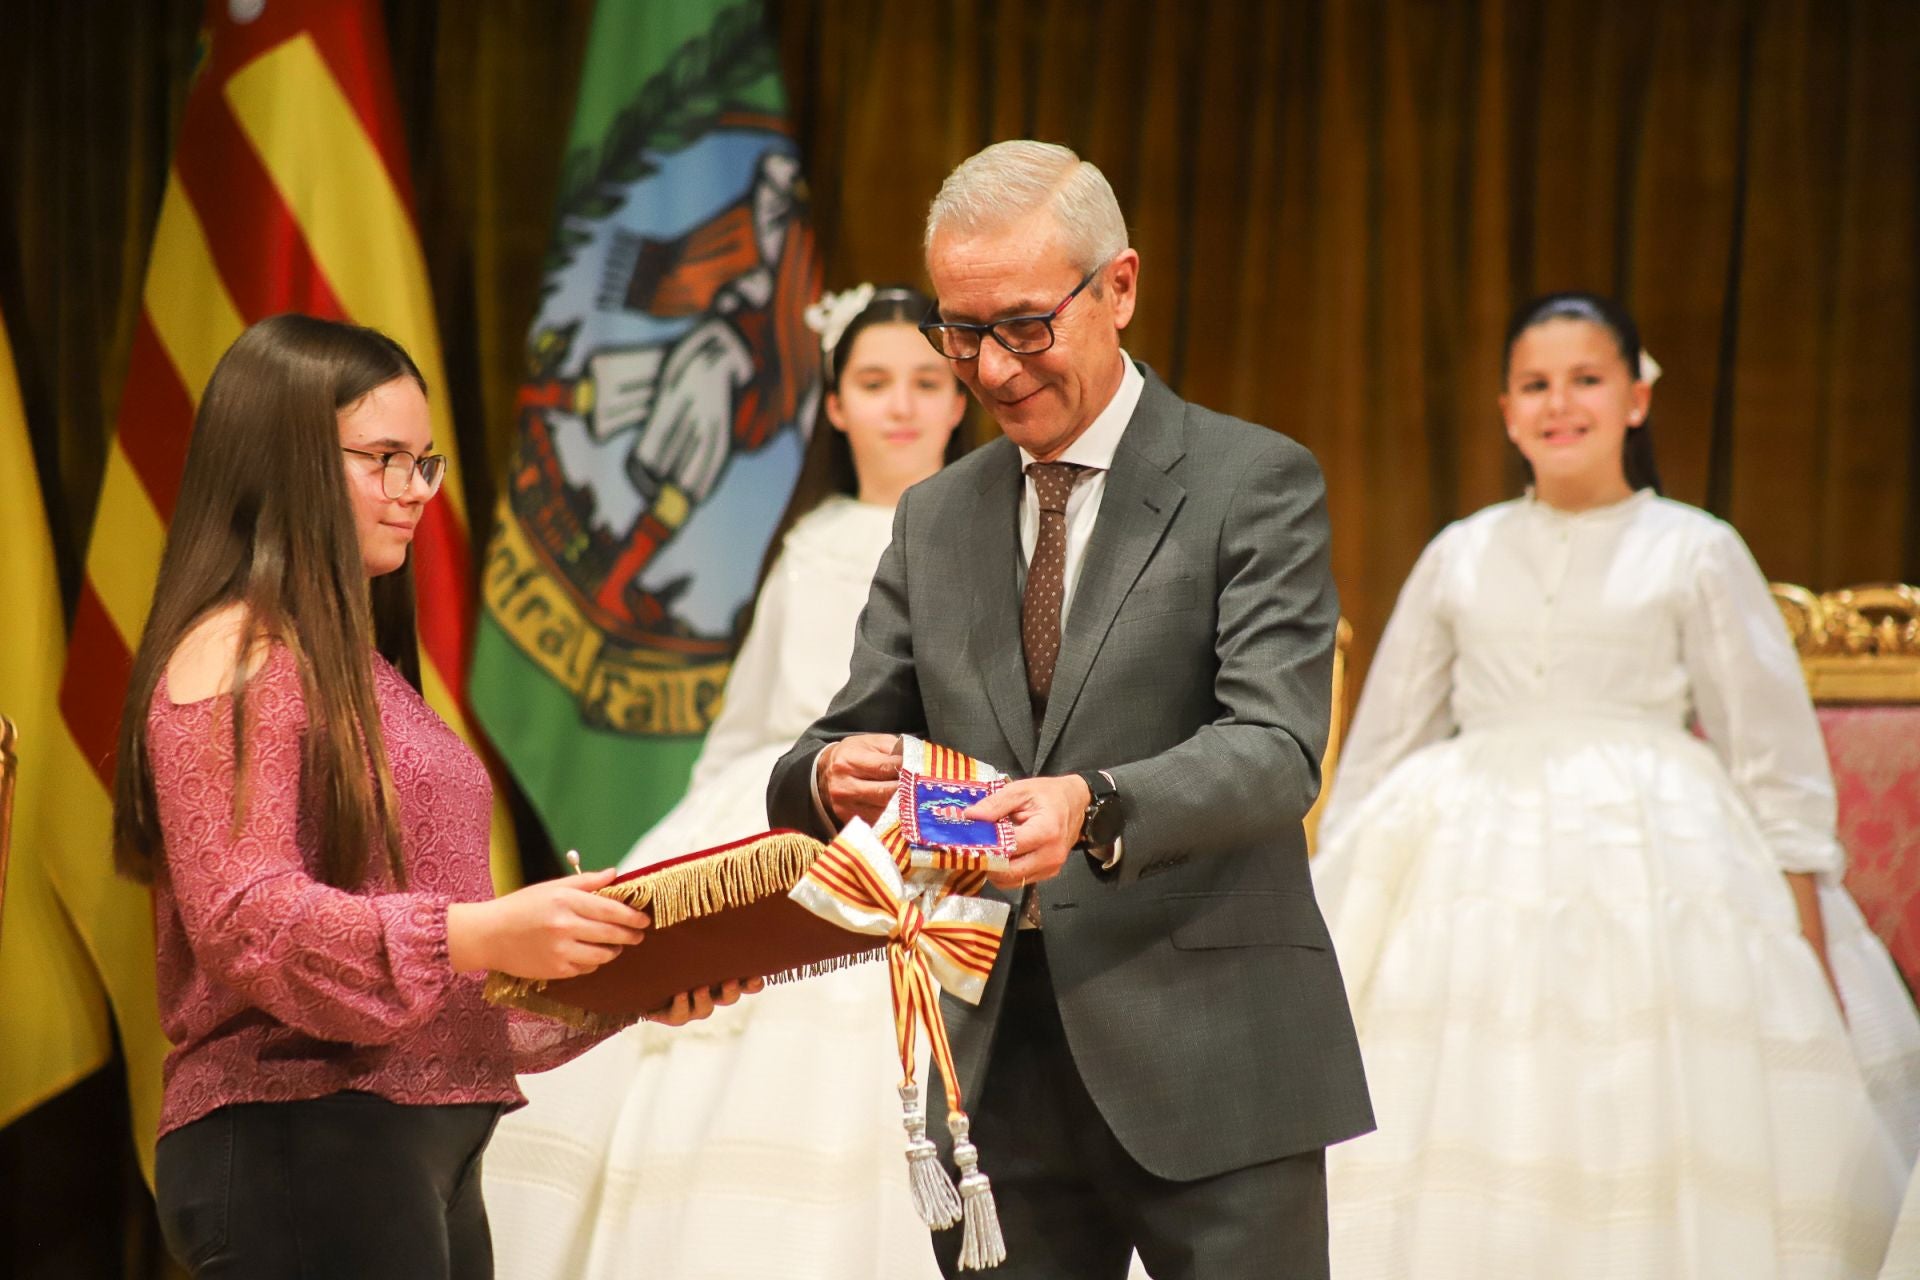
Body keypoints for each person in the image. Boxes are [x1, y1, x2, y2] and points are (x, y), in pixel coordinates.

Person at [766, 140, 1374, 1279]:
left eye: (1025, 325)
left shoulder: (1255, 481)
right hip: (994, 1063)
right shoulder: (936, 516)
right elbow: (831, 738)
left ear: (1121, 287)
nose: (990, 370)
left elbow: (1278, 746)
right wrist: (826, 775)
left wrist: (1096, 803)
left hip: (1216, 1043)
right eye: (962, 331)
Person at [113, 314, 737, 1279]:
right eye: (384, 459)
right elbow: (244, 919)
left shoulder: (356, 665)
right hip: (299, 1136)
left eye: (425, 463)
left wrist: (619, 977)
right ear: (283, 460)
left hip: (407, 1145)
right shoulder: (235, 650)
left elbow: (440, 995)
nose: (414, 493)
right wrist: (477, 932)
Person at [1310, 292, 1920, 1278]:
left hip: (1659, 852)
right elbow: (1386, 736)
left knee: (1644, 1095)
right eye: (1537, 385)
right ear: (1507, 409)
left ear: (1637, 397)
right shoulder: (1460, 552)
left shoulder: (1697, 546)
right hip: (1467, 854)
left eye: (1586, 379)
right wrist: (1341, 886)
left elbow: (1769, 747)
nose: (1562, 404)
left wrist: (1805, 930)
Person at [479, 284, 972, 1280]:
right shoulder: (807, 543)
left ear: (963, 395)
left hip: (931, 804)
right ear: (834, 404)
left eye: (927, 381)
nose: (902, 406)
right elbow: (753, 719)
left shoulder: (986, 537)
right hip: (784, 796)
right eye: (874, 382)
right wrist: (697, 842)